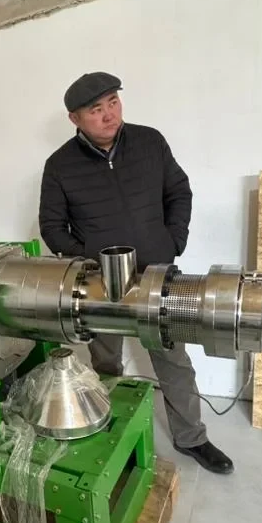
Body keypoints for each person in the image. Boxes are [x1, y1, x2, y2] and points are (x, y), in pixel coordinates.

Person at [38, 71, 232, 474]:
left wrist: (173, 239)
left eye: (113, 102)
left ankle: (192, 438)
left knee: (173, 360)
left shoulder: (149, 142)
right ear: (75, 119)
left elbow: (179, 191)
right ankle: (113, 437)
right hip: (100, 288)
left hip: (157, 278)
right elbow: (52, 227)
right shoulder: (59, 166)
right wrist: (90, 261)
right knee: (106, 363)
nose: (109, 114)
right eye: (96, 109)